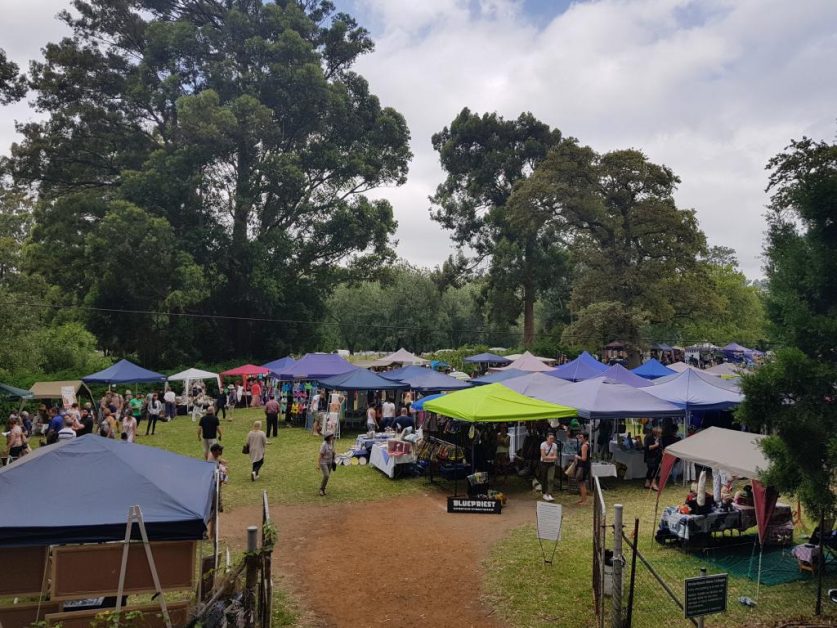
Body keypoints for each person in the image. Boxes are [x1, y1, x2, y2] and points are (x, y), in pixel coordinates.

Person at [539, 432, 559, 502]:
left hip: (551, 464)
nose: (552, 440)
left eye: (553, 438)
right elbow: (543, 457)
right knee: (544, 478)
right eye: (550, 438)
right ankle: (544, 493)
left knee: (550, 479)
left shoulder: (555, 445)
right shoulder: (543, 445)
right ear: (547, 438)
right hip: (544, 464)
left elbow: (556, 457)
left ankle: (549, 493)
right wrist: (551, 456)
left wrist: (549, 457)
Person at [575, 432, 591, 505]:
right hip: (583, 465)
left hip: (583, 466)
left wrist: (577, 457)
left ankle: (584, 500)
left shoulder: (584, 446)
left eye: (581, 437)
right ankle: (582, 499)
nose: (580, 439)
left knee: (581, 483)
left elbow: (584, 458)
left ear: (585, 438)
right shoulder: (585, 444)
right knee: (581, 482)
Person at [318, 431, 336, 496]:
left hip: (330, 462)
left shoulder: (331, 443)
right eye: (331, 436)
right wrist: (318, 465)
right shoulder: (324, 445)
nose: (332, 437)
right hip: (323, 462)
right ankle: (321, 489)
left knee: (327, 477)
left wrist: (334, 457)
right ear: (328, 437)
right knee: (326, 475)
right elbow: (320, 455)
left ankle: (323, 489)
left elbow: (333, 451)